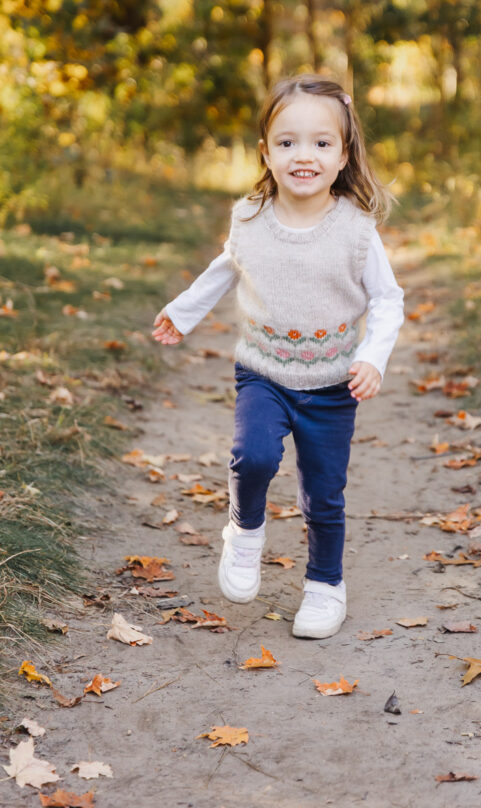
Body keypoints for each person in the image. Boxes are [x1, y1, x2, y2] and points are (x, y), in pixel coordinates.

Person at [152, 74, 404, 638]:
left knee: (324, 493)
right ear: (266, 152)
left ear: (343, 155)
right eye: (288, 142)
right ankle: (244, 533)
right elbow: (227, 267)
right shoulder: (250, 217)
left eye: (321, 143)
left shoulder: (356, 231)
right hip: (262, 371)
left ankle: (325, 586)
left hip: (332, 385)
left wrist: (373, 357)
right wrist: (184, 312)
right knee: (254, 456)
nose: (303, 155)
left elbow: (388, 299)